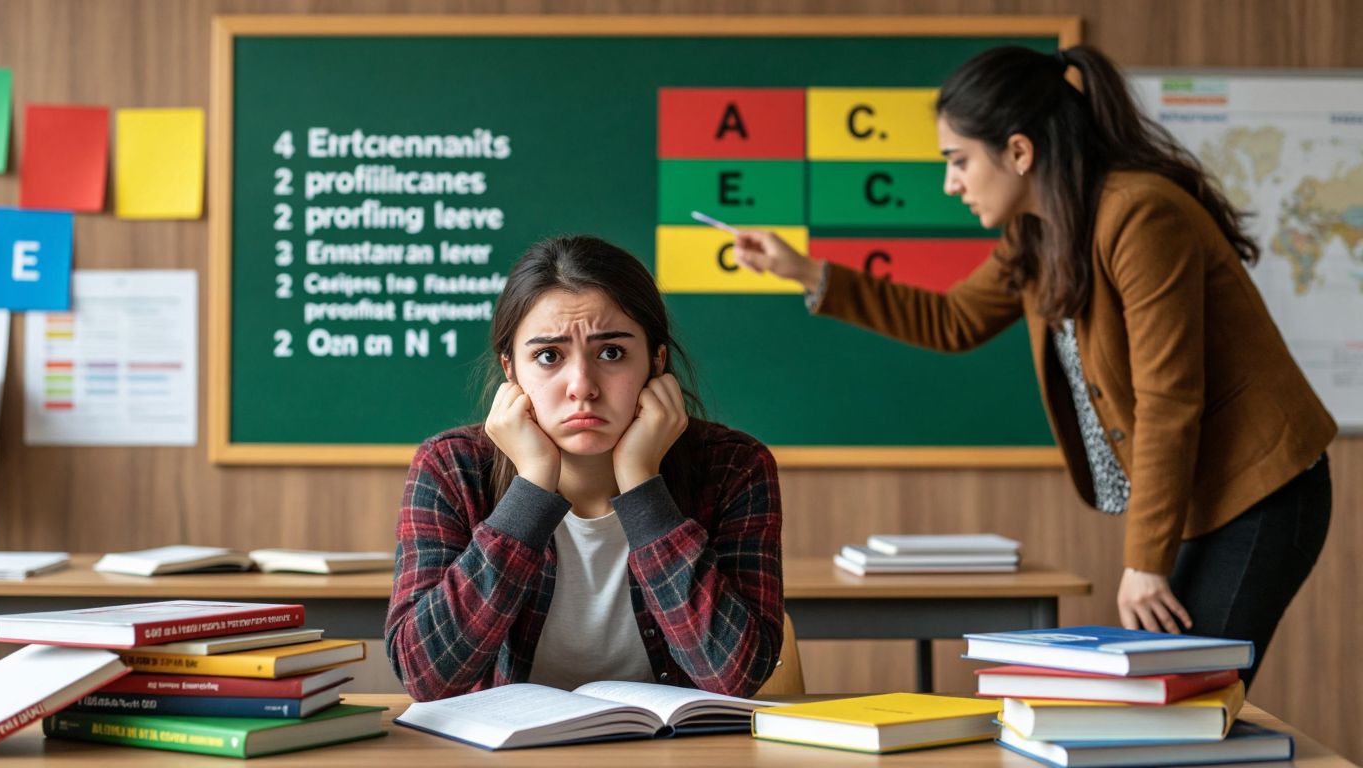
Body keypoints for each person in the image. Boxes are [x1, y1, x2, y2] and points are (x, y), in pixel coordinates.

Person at [732, 45, 1334, 688]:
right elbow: (952, 321)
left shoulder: (1140, 215)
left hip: (1266, 491)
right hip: (1208, 497)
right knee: (1169, 696)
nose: (950, 183)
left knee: (1184, 693)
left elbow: (1168, 399)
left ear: (1019, 152)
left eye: (959, 161)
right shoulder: (1041, 232)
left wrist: (1145, 563)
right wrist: (803, 270)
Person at [386, 235, 783, 701]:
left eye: (611, 353)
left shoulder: (734, 467)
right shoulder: (452, 468)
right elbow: (424, 677)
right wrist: (532, 486)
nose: (582, 387)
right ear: (511, 370)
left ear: (656, 361)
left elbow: (735, 677)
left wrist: (641, 482)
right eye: (548, 356)